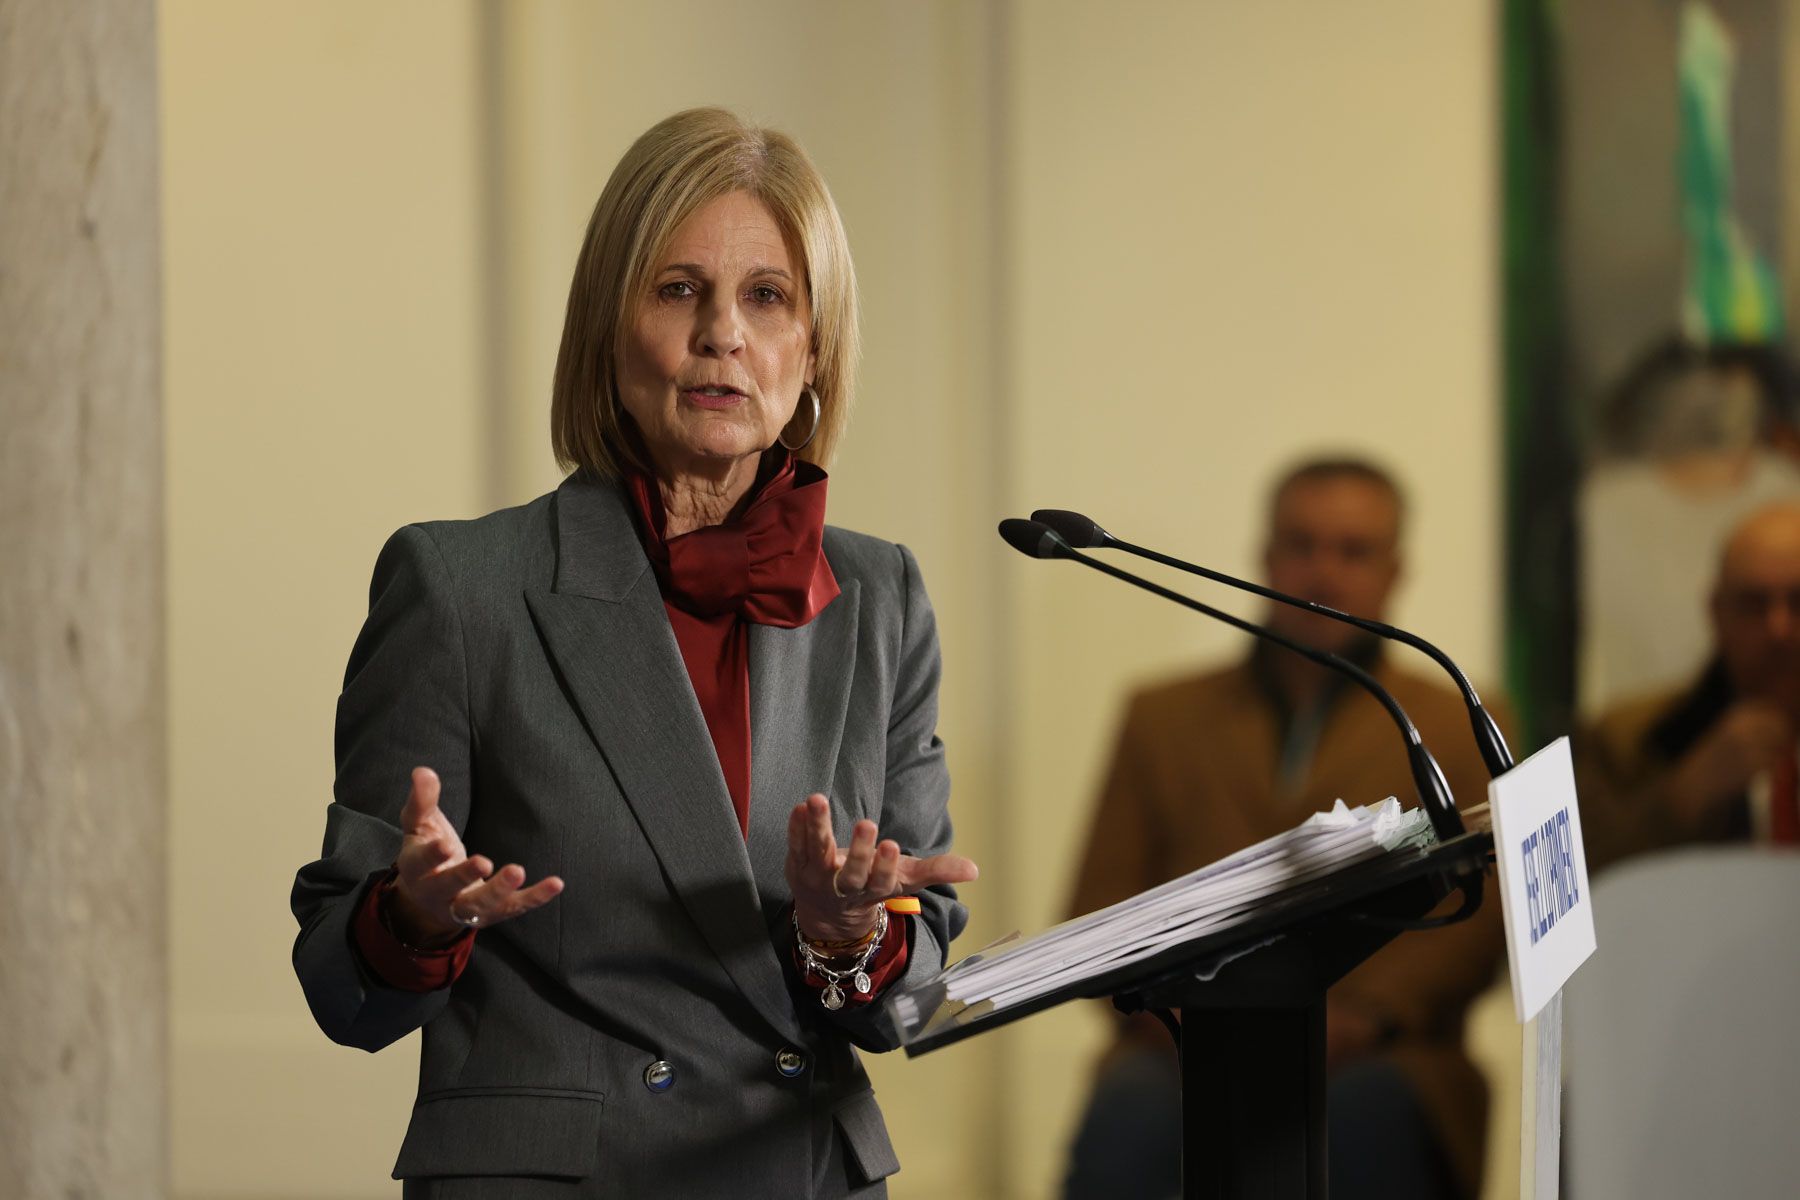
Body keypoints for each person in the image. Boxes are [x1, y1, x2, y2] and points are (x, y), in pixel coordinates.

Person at [290, 108, 978, 1199]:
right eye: (676, 289)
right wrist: (413, 919)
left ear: (815, 350)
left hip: (800, 1172)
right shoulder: (458, 588)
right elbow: (342, 987)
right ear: (608, 329)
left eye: (767, 297)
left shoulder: (880, 595)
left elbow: (915, 982)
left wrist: (851, 936)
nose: (723, 334)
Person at [1062, 458, 1505, 1200]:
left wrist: (1360, 1017)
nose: (1321, 573)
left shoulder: (1453, 717)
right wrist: (1184, 1016)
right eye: (1301, 545)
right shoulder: (1162, 716)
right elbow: (1099, 900)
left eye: (1353, 550)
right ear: (1264, 557)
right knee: (1128, 1119)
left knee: (1367, 1122)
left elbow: (1479, 918)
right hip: (1180, 1045)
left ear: (1396, 570)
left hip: (1382, 1055)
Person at [1580, 501, 1800, 870]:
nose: (1778, 629)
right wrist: (1684, 795)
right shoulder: (1627, 739)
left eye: (1798, 602)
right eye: (1753, 604)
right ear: (1716, 612)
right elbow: (1583, 884)